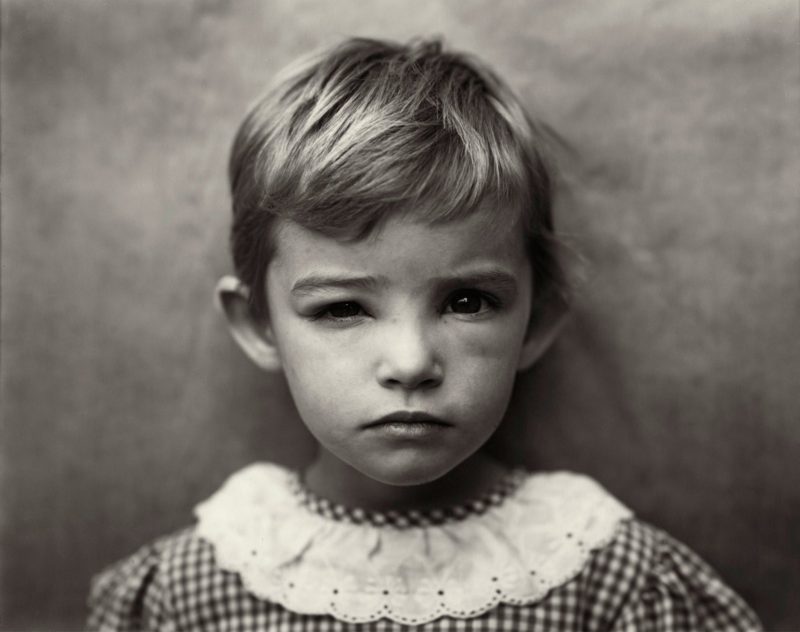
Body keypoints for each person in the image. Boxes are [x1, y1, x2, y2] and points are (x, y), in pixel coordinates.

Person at [87, 37, 761, 631]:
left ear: (539, 320)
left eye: (467, 301)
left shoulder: (608, 577)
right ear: (258, 325)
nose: (411, 362)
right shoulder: (190, 592)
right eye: (342, 308)